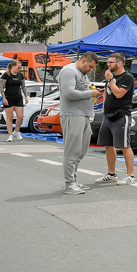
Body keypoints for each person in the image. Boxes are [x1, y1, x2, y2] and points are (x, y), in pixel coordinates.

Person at [59, 51, 99, 194]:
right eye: (90, 67)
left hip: (84, 115)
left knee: (80, 151)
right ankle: (69, 183)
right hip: (73, 115)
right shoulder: (69, 71)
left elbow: (82, 91)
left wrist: (92, 92)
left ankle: (74, 181)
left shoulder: (82, 74)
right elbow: (69, 93)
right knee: (72, 151)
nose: (90, 70)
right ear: (83, 61)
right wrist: (90, 93)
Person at [96, 52, 136, 185]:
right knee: (107, 144)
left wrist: (110, 80)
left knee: (124, 145)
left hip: (121, 115)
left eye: (110, 62)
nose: (108, 65)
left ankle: (130, 175)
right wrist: (104, 105)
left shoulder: (127, 77)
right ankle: (111, 173)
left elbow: (119, 94)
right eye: (108, 62)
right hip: (108, 115)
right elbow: (107, 92)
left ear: (119, 63)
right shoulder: (110, 78)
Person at [0, 59, 27, 141]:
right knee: (10, 117)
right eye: (18, 67)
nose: (19, 69)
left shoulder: (20, 75)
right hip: (8, 98)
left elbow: (23, 86)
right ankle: (10, 135)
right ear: (13, 66)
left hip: (18, 97)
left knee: (20, 116)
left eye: (20, 68)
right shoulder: (6, 75)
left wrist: (26, 96)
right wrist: (3, 98)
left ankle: (16, 131)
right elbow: (1, 87)